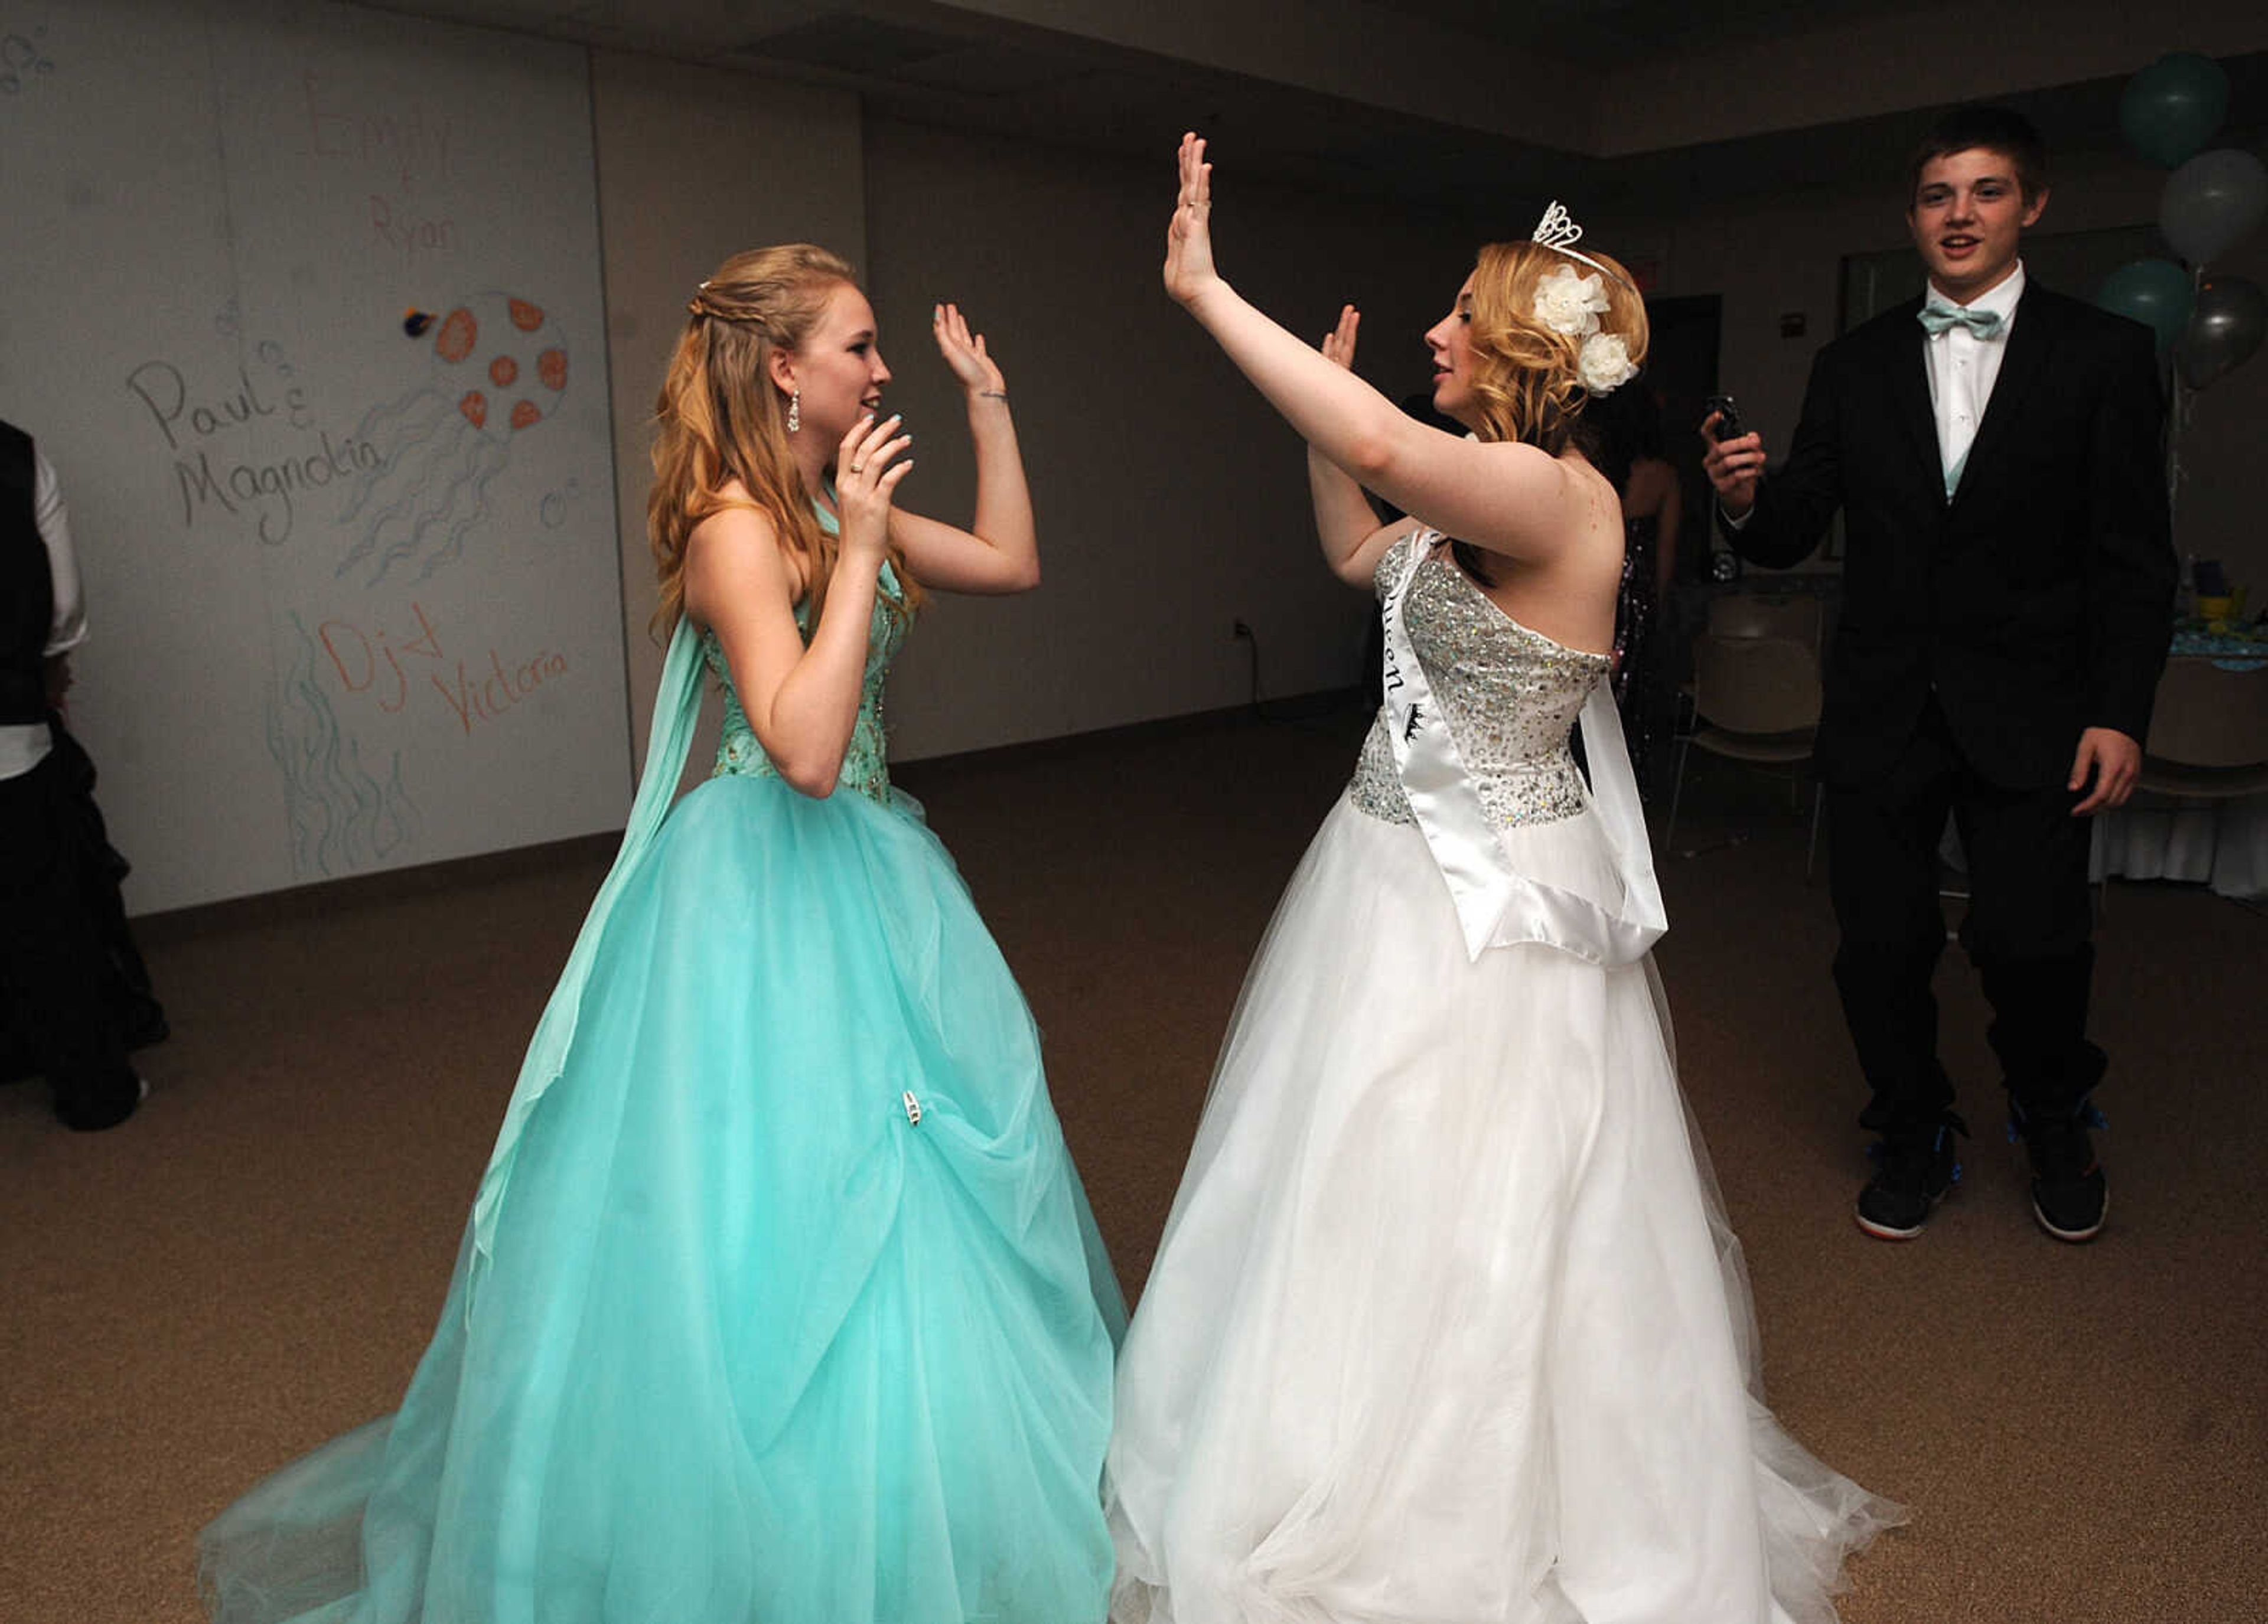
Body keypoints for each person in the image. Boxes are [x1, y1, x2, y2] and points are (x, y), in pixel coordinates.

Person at [198, 246, 1126, 1624]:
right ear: (784, 367)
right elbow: (803, 746)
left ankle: (913, 1504)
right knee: (754, 1208)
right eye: (861, 346)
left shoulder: (828, 498)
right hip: (755, 888)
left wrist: (987, 406)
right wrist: (861, 544)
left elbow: (1012, 559)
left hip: (878, 878)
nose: (882, 372)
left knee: (915, 1183)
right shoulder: (736, 529)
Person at [1106, 135, 1898, 1624]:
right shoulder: (1484, 501)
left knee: (1471, 1185)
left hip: (1487, 904)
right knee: (1339, 1164)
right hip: (1382, 865)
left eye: (1460, 318)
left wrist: (1208, 294)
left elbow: (1397, 455)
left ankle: (1445, 1487)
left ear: (1527, 350)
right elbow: (1360, 543)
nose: (1432, 335)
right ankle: (1318, 1414)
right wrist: (1316, 431)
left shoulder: (1558, 498)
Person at [1702, 107, 2174, 1245]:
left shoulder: (2105, 355)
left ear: (2032, 206)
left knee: (2035, 945)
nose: (1960, 214)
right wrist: (1742, 497)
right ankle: (1911, 1128)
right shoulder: (1850, 365)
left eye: (1987, 191)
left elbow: (2133, 560)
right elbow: (1791, 533)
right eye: (1936, 196)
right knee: (1878, 948)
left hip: (2038, 714)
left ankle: (2056, 1117)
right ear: (1912, 216)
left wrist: (2120, 712)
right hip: (1883, 711)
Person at [0, 419, 161, 1131]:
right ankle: (94, 1092)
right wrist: (46, 665)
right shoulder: (16, 455)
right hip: (9, 735)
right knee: (44, 920)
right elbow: (62, 604)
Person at [1591, 383, 1682, 794]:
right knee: (1633, 688)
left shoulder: (1596, 470)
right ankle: (1627, 785)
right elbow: (1666, 550)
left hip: (1597, 582)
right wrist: (1656, 603)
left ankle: (1590, 777)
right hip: (1638, 589)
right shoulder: (1664, 476)